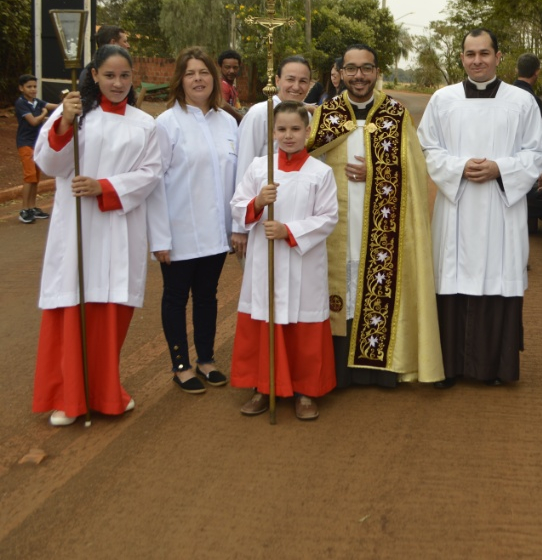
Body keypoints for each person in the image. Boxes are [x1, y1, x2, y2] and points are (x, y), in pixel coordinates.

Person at [32, 44, 162, 426]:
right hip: (76, 228)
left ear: (133, 77)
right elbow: (49, 163)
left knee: (109, 313)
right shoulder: (73, 112)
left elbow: (150, 174)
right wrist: (64, 125)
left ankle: (106, 394)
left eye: (124, 76)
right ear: (93, 75)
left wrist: (104, 187)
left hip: (119, 227)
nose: (117, 83)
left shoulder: (144, 123)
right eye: (109, 75)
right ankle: (67, 398)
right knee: (72, 307)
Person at [306, 44, 444, 388]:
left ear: (376, 71)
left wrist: (379, 172)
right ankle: (337, 369)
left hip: (382, 222)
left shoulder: (395, 115)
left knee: (376, 282)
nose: (359, 76)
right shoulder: (327, 114)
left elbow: (415, 170)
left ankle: (378, 370)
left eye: (366, 68)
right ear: (340, 73)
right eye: (351, 69)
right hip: (336, 224)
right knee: (341, 287)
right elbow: (305, 162)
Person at [418, 28, 542, 387]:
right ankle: (448, 366)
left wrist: (499, 169)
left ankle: (495, 367)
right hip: (455, 206)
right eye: (470, 54)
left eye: (484, 53)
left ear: (498, 57)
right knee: (451, 277)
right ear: (461, 58)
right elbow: (426, 148)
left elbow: (537, 152)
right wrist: (458, 168)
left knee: (497, 276)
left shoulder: (521, 102)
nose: (477, 60)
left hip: (499, 207)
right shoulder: (442, 100)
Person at [230, 101, 339, 420]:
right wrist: (257, 202)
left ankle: (306, 391)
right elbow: (237, 206)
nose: (288, 135)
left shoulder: (320, 172)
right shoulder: (259, 168)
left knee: (302, 322)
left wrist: (289, 230)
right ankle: (263, 387)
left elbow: (328, 218)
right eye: (281, 129)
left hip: (302, 261)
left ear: (307, 131)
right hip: (265, 261)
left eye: (295, 129)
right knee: (266, 317)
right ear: (272, 132)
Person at [148, 47, 238, 394]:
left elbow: (234, 180)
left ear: (214, 79)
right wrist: (159, 238)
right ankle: (181, 365)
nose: (198, 79)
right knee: (175, 298)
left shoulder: (228, 122)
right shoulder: (166, 124)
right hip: (179, 231)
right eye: (190, 73)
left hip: (216, 232)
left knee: (207, 297)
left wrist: (234, 228)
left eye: (204, 72)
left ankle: (206, 359)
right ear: (179, 81)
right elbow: (154, 183)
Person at [232, 55, 312, 260]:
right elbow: (244, 165)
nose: (296, 86)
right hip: (262, 213)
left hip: (295, 218)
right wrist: (239, 227)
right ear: (277, 81)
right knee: (262, 281)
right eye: (290, 79)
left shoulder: (308, 117)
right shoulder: (260, 113)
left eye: (303, 81)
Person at [15, 74, 58, 223]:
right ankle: (24, 209)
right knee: (29, 176)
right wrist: (44, 114)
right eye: (29, 87)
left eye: (34, 86)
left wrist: (67, 103)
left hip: (36, 143)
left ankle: (32, 207)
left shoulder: (36, 102)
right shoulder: (21, 103)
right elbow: (33, 122)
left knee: (35, 178)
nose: (33, 90)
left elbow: (54, 106)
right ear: (21, 88)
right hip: (25, 143)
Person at [514, 53, 542, 122]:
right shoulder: (533, 101)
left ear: (516, 70)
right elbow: (538, 131)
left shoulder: (503, 96)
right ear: (537, 72)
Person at [218, 49, 244, 125]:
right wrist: (241, 118)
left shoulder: (231, 86)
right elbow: (221, 104)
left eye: (235, 67)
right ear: (220, 67)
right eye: (227, 67)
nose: (232, 71)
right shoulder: (222, 85)